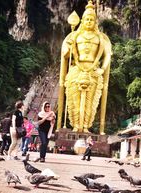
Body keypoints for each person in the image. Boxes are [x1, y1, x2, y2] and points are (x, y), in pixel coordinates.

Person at [57, 0, 112, 134]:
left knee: (90, 101)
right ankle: (75, 125)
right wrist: (68, 49)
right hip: (77, 69)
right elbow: (65, 54)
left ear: (95, 22)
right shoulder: (75, 36)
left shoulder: (100, 38)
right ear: (82, 20)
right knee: (73, 99)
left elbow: (108, 55)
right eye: (86, 19)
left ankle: (86, 126)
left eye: (91, 20)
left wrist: (102, 69)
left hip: (93, 71)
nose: (88, 22)